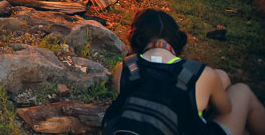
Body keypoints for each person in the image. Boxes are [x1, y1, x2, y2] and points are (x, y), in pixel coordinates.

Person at [105, 8, 265, 135]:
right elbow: (225, 110)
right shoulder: (200, 73)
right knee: (241, 91)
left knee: (220, 79)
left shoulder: (125, 67)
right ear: (175, 38)